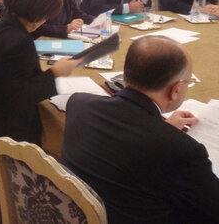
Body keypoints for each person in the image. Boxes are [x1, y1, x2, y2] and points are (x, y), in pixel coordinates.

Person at [60, 36, 219, 223]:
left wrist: (162, 127)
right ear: (175, 89)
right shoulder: (182, 150)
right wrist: (162, 132)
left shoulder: (79, 104)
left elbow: (125, 143)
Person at [0, 0, 80, 153]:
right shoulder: (20, 41)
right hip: (11, 135)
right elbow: (24, 96)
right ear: (36, 14)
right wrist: (54, 72)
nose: (45, 21)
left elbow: (0, 79)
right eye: (45, 16)